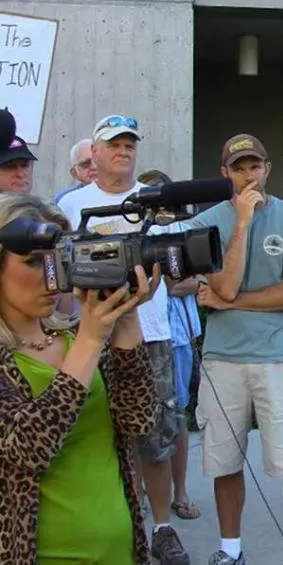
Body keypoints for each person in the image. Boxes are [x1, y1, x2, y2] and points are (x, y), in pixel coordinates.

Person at [57, 115, 191, 565]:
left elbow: (178, 274)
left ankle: (162, 528)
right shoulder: (72, 206)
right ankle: (119, 521)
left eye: (130, 144)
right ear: (94, 154)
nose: (123, 151)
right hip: (88, 337)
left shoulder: (157, 205)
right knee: (97, 432)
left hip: (150, 336)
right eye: (113, 144)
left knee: (154, 437)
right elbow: (56, 275)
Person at [0, 193, 159, 565]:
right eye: (33, 261)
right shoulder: (81, 341)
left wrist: (126, 318)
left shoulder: (74, 337)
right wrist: (89, 339)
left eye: (58, 259)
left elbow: (139, 421)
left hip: (119, 550)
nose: (51, 275)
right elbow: (27, 448)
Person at [190, 134, 283, 565]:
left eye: (255, 166)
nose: (249, 175)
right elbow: (223, 283)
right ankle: (231, 551)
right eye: (239, 167)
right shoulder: (205, 223)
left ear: (267, 168)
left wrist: (231, 301)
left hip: (278, 358)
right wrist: (242, 223)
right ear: (225, 172)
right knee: (225, 463)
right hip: (222, 358)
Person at [138, 169, 204, 522]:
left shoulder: (180, 228)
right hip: (148, 335)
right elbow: (173, 283)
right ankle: (140, 493)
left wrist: (181, 280)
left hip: (180, 336)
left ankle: (180, 492)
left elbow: (198, 277)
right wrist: (179, 280)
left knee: (176, 415)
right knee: (140, 417)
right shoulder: (139, 231)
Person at [53, 138, 97, 204]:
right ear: (74, 173)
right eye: (86, 163)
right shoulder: (63, 200)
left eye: (98, 161)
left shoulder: (118, 195)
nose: (94, 167)